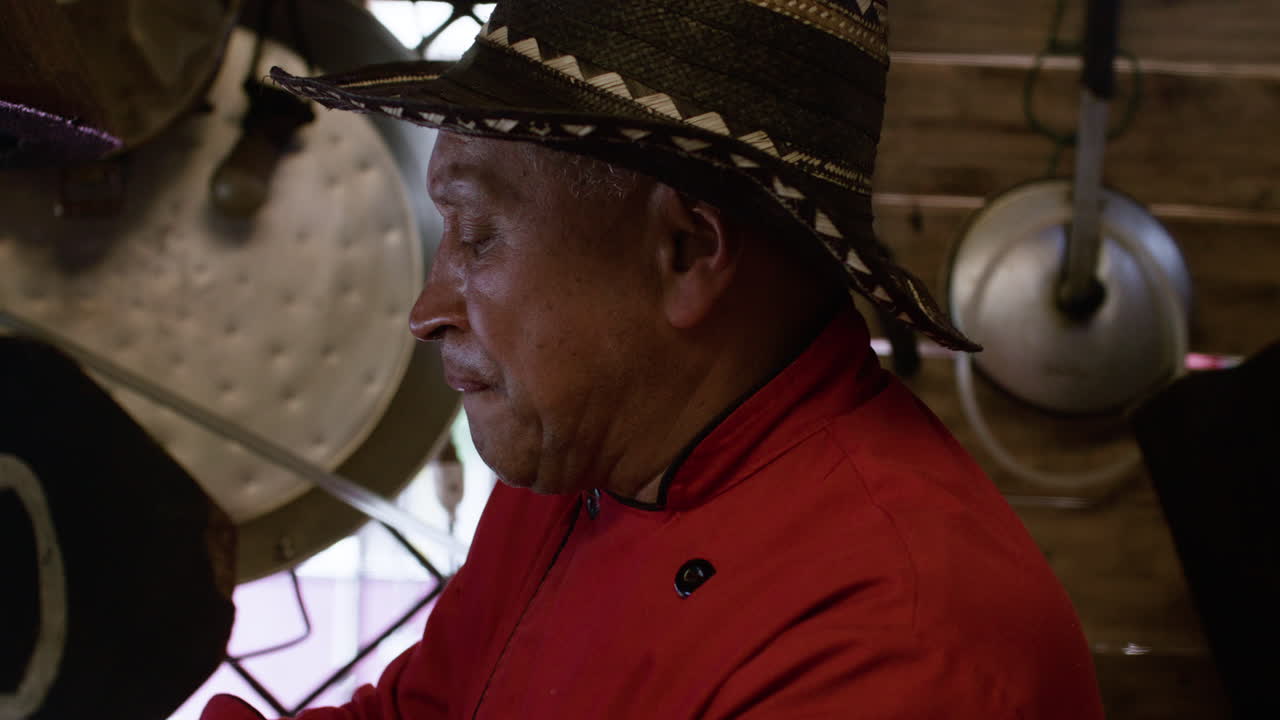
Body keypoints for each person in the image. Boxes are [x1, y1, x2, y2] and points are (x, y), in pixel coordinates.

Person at [204, 0, 1105, 717]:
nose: (427, 311)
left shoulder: (892, 649)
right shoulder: (583, 453)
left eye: (478, 237)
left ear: (684, 251)